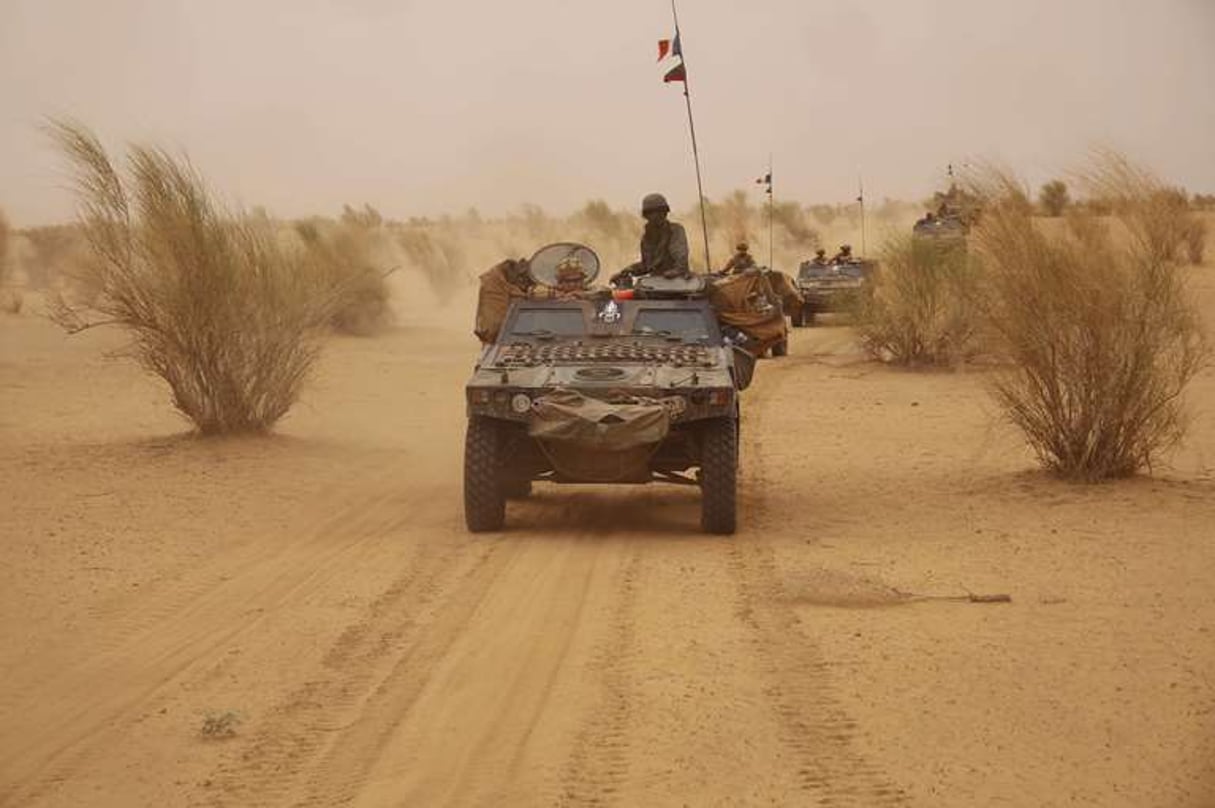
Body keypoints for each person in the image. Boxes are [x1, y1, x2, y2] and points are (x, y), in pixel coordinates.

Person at [638, 193, 690, 278]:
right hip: (656, 284)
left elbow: (681, 260)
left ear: (665, 213)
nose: (656, 215)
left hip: (678, 282)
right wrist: (627, 271)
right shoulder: (646, 239)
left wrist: (675, 271)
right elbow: (646, 265)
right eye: (651, 212)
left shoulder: (675, 231)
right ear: (646, 216)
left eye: (660, 211)